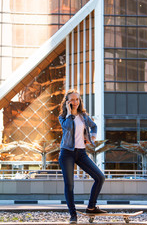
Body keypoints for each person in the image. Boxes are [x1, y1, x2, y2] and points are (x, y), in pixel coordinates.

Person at [58, 89, 105, 223]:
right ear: (67, 102)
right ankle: (73, 215)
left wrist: (93, 137)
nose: (75, 102)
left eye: (77, 99)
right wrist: (70, 113)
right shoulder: (63, 117)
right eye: (72, 100)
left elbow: (94, 126)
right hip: (67, 153)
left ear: (80, 100)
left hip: (81, 153)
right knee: (70, 185)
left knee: (100, 177)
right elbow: (67, 127)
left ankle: (91, 207)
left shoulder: (83, 116)